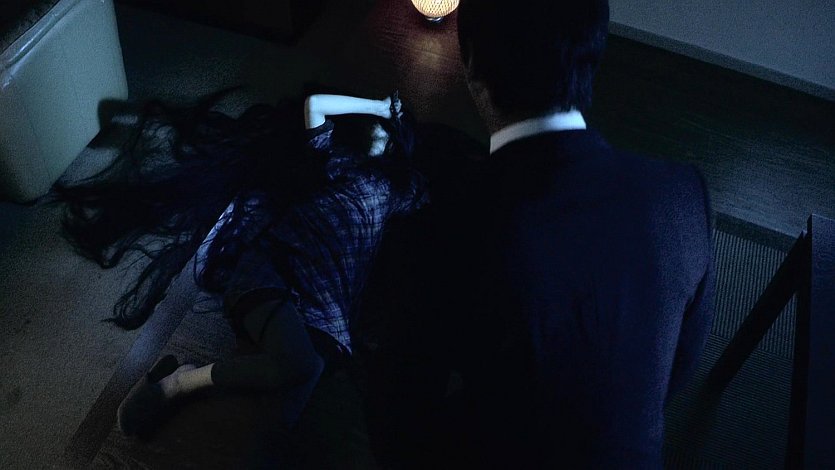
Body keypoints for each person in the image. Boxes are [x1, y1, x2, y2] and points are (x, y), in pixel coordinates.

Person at [55, 90, 428, 464]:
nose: (379, 128)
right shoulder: (333, 158)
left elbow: (437, 193)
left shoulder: (400, 189)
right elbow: (315, 105)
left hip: (328, 305)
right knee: (301, 365)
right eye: (375, 124)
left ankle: (189, 393)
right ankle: (177, 383)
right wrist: (378, 107)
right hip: (276, 270)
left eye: (388, 127)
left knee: (278, 427)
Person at [440, 0, 716, 467]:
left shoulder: (451, 226)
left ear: (471, 63)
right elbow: (680, 362)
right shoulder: (684, 195)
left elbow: (402, 402)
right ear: (593, 49)